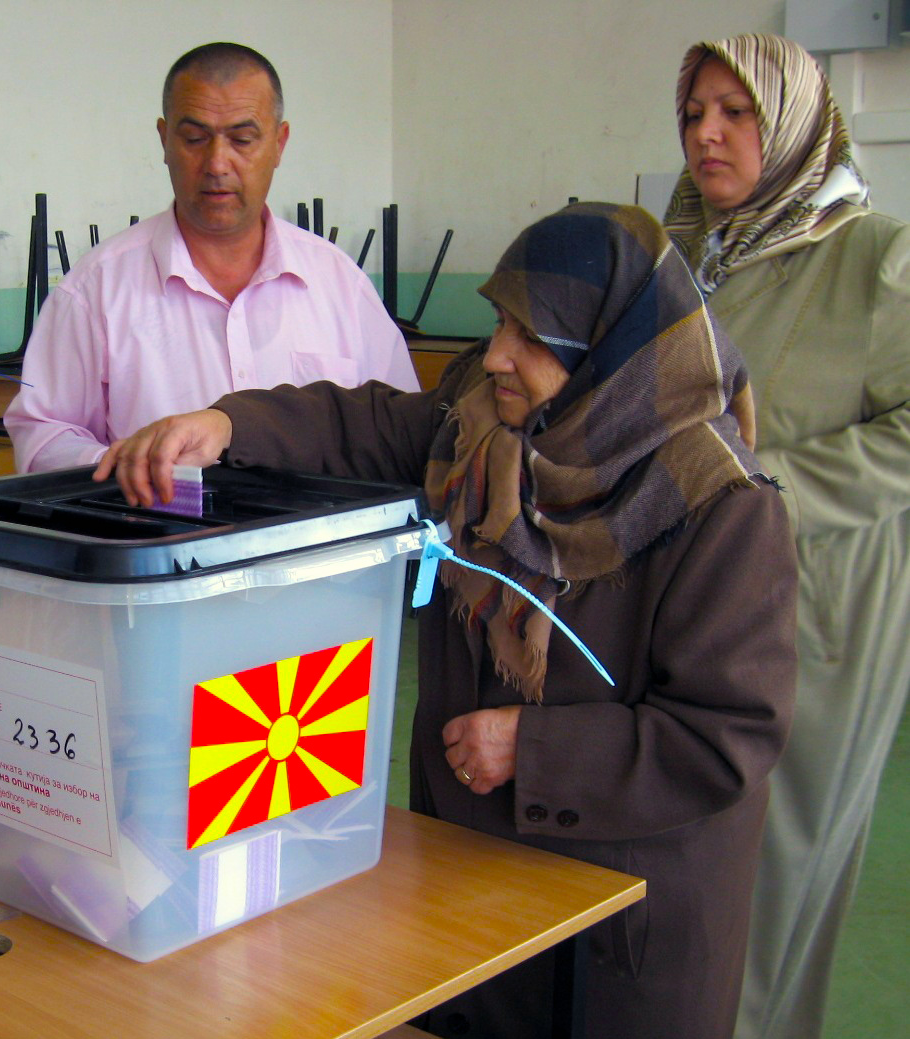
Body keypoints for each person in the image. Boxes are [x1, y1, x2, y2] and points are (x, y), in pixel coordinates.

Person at [95, 202, 798, 1039]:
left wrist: (533, 751)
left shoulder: (719, 507)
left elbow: (727, 736)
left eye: (532, 339)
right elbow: (364, 424)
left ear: (612, 356)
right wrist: (227, 423)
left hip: (625, 915)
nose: (497, 353)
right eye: (500, 322)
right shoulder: (481, 424)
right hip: (470, 872)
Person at [663, 32, 910, 1039]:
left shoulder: (872, 259)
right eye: (691, 114)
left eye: (736, 112)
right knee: (687, 874)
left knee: (772, 880)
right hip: (685, 601)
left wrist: (768, 486)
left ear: (798, 121)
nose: (707, 135)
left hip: (814, 615)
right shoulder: (683, 258)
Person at [4, 42, 418, 473]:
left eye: (242, 139)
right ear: (165, 141)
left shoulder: (338, 284)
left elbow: (400, 428)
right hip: (161, 531)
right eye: (195, 139)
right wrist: (126, 466)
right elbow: (42, 435)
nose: (217, 163)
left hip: (323, 537)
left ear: (279, 143)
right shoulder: (97, 288)